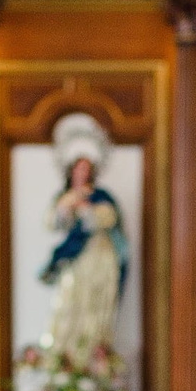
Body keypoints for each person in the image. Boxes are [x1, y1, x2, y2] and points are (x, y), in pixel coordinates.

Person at [38, 153, 126, 366]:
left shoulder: (100, 196)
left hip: (99, 259)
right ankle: (65, 360)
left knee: (95, 311)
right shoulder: (66, 196)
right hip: (75, 262)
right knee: (68, 306)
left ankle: (95, 359)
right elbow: (52, 222)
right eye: (79, 168)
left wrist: (86, 209)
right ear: (71, 171)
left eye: (86, 169)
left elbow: (108, 219)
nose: (82, 173)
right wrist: (67, 206)